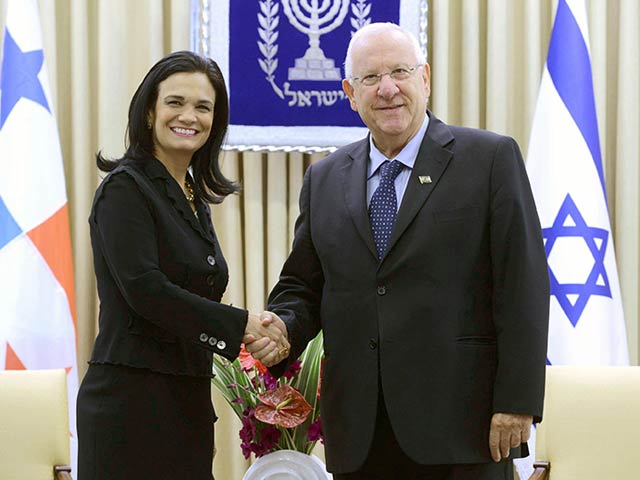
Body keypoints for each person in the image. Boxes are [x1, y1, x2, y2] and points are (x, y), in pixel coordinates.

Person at [247, 23, 550, 479]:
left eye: (400, 72)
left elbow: (522, 285)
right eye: (370, 78)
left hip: (464, 428)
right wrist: (283, 329)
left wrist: (517, 402)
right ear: (350, 92)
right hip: (361, 435)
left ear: (424, 78)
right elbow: (302, 287)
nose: (387, 89)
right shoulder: (324, 179)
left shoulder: (488, 160)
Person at [76, 51, 289, 480]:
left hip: (185, 404)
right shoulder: (125, 189)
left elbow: (192, 299)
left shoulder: (191, 195)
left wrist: (259, 337)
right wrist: (243, 324)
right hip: (131, 408)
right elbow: (146, 290)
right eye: (176, 102)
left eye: (203, 107)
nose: (188, 116)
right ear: (150, 110)